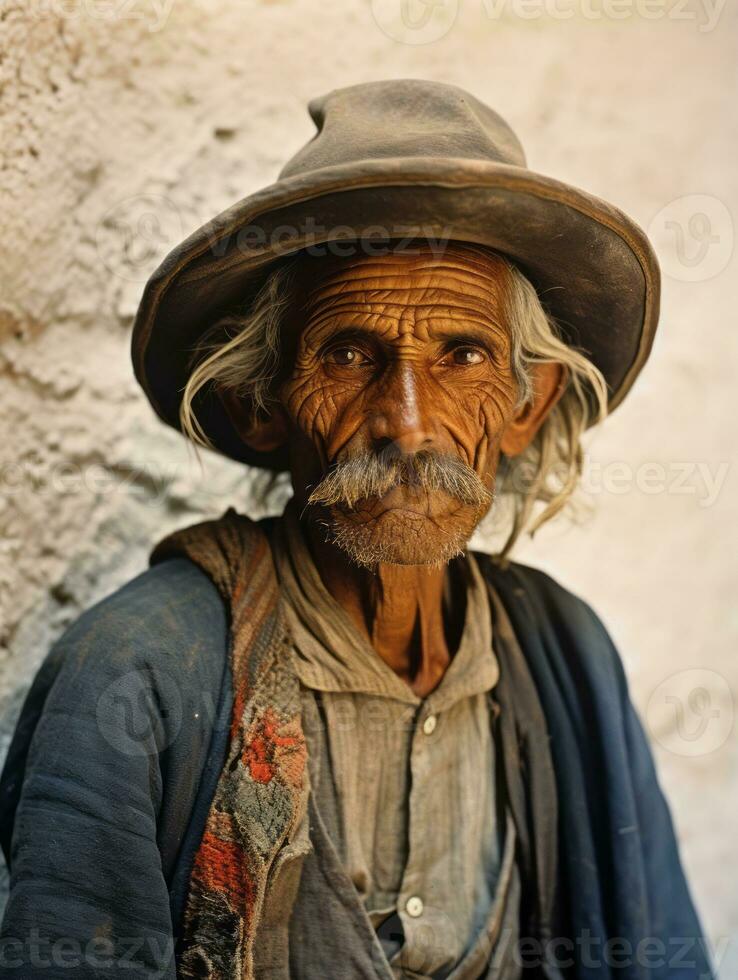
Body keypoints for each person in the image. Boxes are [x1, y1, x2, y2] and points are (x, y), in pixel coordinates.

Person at [0, 79, 713, 979]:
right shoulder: (137, 669)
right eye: (347, 355)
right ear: (260, 406)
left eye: (463, 356)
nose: (406, 423)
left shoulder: (563, 658)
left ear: (528, 406)